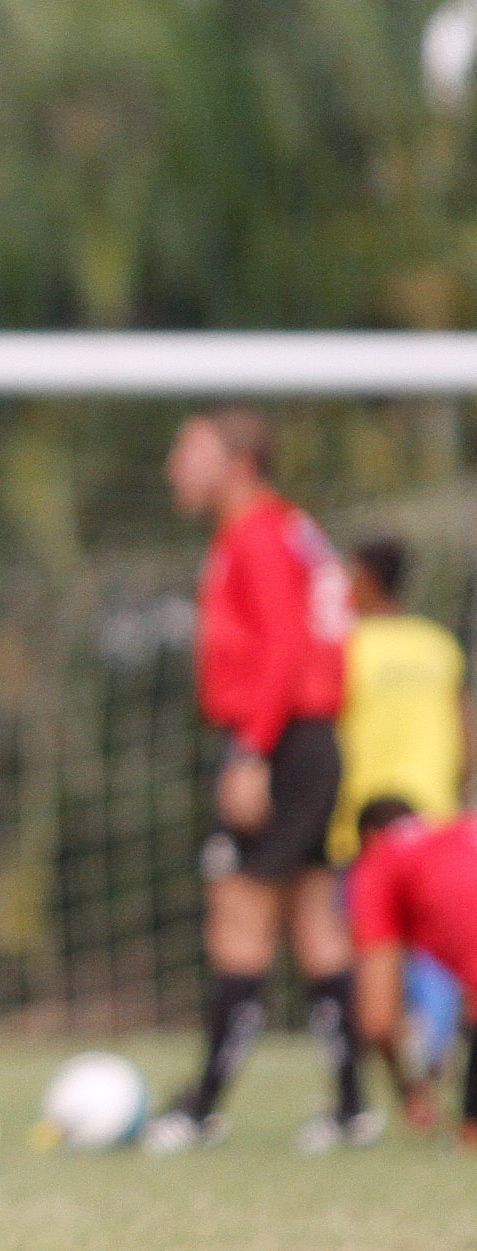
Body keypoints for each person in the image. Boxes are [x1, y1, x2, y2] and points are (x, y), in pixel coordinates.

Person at [144, 407, 368, 1155]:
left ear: (238, 464)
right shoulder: (284, 530)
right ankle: (349, 1107)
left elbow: (283, 650)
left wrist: (249, 751)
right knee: (313, 919)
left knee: (239, 917)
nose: (177, 463)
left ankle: (202, 1105)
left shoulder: (258, 534)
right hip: (305, 739)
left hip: (278, 741)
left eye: (191, 449)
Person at [333, 537, 467, 1071]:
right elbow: (465, 733)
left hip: (365, 824)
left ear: (364, 576)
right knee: (437, 951)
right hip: (437, 823)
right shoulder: (438, 646)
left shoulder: (346, 647)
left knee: (370, 950)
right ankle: (431, 1047)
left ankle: (384, 1072)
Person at [347, 796, 477, 1144]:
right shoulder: (460, 832)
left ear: (368, 837)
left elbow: (377, 1020)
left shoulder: (378, 864)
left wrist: (410, 1092)